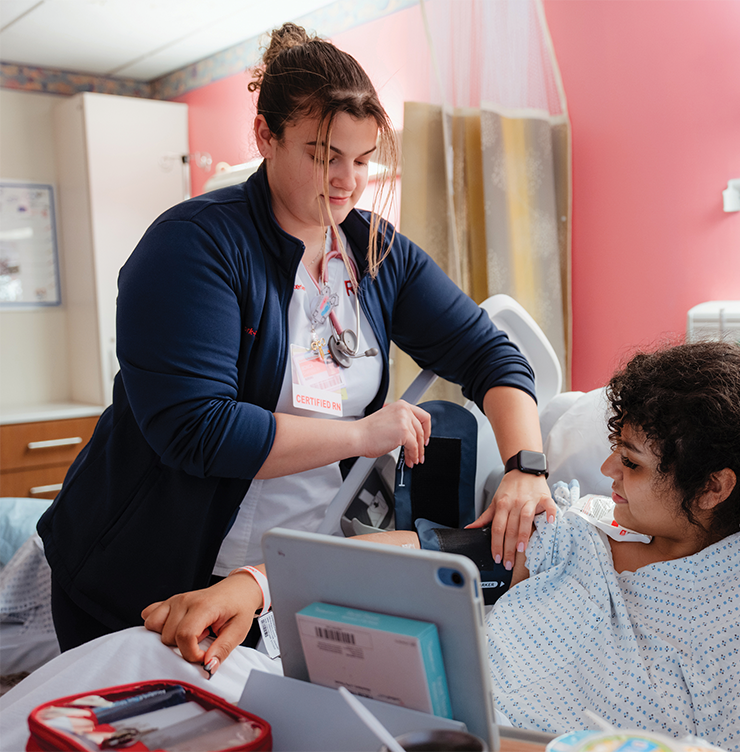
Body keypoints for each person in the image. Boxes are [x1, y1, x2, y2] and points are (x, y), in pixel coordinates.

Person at [37, 23, 555, 671]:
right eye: (323, 154)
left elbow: (491, 356)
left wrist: (525, 468)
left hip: (289, 574)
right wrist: (362, 434)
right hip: (151, 573)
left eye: (362, 160)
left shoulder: (375, 252)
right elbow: (198, 431)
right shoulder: (194, 246)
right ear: (265, 136)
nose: (347, 182)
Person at [378, 337, 740, 750]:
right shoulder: (581, 527)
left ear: (712, 487)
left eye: (632, 463)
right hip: (413, 719)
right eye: (616, 450)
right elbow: (431, 556)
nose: (606, 471)